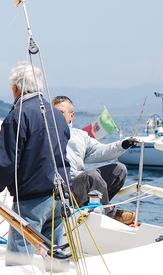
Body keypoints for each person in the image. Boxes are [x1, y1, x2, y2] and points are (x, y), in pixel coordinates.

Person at [0, 61, 70, 264]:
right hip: (59, 194)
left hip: (31, 199)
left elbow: (7, 162)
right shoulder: (58, 116)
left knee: (19, 258)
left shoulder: (18, 116)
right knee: (54, 257)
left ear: (16, 88)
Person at [51, 96, 138, 225]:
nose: (56, 116)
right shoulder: (44, 134)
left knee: (119, 170)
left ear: (72, 115)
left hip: (80, 185)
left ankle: (97, 208)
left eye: (61, 112)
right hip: (62, 191)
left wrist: (122, 145)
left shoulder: (80, 136)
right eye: (53, 112)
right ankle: (110, 214)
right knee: (91, 176)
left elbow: (100, 151)